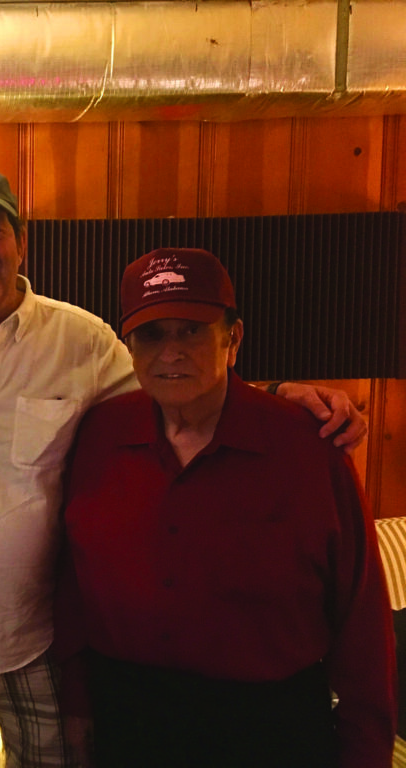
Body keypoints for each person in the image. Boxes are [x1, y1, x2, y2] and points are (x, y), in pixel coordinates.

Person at [0, 166, 370, 768]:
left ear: (20, 241)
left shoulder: (80, 340)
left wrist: (275, 394)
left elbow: (174, 385)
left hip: (38, 636)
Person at [58, 247, 396, 768]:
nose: (171, 352)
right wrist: (78, 703)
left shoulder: (308, 447)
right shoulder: (99, 435)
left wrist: (366, 751)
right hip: (130, 720)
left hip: (270, 729)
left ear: (232, 339)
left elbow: (361, 617)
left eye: (191, 331)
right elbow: (73, 582)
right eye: (152, 334)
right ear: (129, 348)